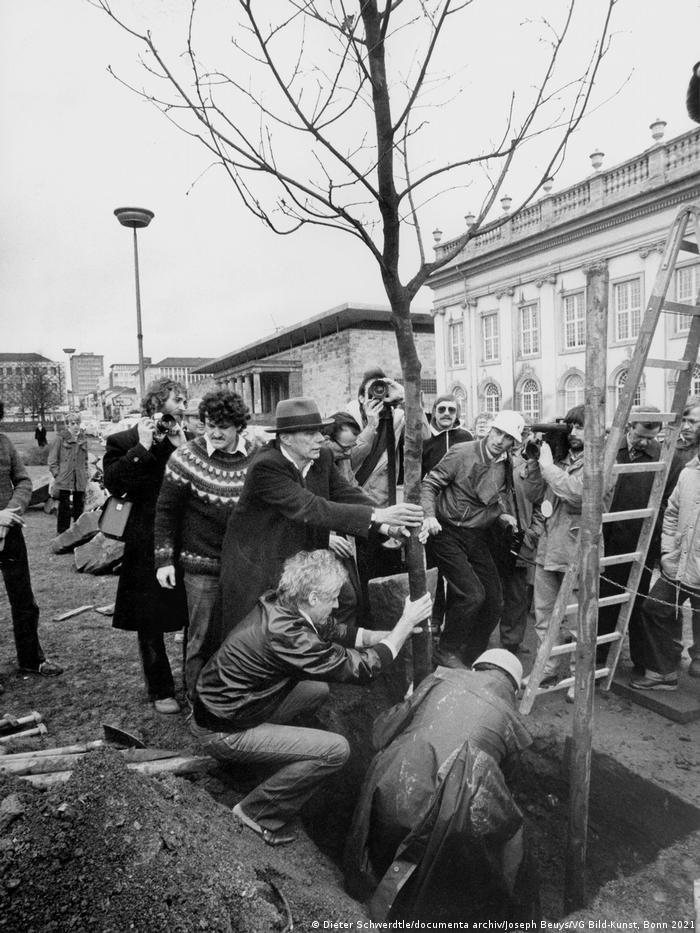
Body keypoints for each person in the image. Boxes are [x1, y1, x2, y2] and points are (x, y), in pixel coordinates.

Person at [192, 549, 432, 847]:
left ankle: (265, 761)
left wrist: (393, 635)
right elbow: (363, 669)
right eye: (332, 598)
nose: (337, 604)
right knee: (336, 750)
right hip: (223, 729)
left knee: (316, 689)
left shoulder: (284, 604)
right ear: (314, 597)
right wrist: (404, 625)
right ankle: (256, 812)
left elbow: (342, 632)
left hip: (230, 705)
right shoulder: (287, 634)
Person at [344, 649, 538, 923]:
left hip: (386, 796)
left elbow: (380, 733)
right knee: (511, 829)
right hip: (441, 829)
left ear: (475, 668)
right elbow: (506, 791)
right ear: (514, 691)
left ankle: (370, 882)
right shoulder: (511, 720)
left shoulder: (439, 679)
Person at [218, 397, 423, 642]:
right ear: (285, 438)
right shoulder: (266, 466)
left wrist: (389, 527)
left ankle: (329, 659)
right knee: (261, 633)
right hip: (259, 564)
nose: (319, 439)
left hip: (300, 559)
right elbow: (310, 507)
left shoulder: (322, 457)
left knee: (344, 599)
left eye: (319, 431)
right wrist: (377, 515)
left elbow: (346, 494)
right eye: (309, 433)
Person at [154, 390, 259, 699]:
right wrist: (163, 560)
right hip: (201, 568)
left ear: (239, 426)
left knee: (241, 635)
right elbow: (165, 512)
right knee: (200, 639)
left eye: (223, 427)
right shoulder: (185, 458)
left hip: (243, 567)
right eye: (209, 425)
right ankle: (197, 703)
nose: (214, 433)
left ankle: (233, 697)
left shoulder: (258, 457)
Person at [103, 378, 189, 715]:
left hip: (184, 537)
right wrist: (142, 447)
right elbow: (114, 483)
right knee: (148, 618)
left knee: (190, 613)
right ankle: (160, 688)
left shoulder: (183, 440)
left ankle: (194, 683)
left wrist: (183, 449)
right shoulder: (122, 441)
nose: (183, 406)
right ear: (156, 402)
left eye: (184, 400)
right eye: (177, 400)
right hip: (144, 540)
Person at [420, 410, 525, 668]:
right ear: (490, 430)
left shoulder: (505, 463)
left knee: (495, 601)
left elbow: (490, 496)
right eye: (498, 432)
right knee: (472, 595)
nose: (499, 440)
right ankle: (445, 651)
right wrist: (429, 515)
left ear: (514, 443)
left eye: (507, 437)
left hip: (476, 535)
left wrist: (502, 516)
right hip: (446, 532)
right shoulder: (462, 452)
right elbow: (429, 484)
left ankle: (471, 654)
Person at [632, 420, 700, 689]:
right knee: (655, 608)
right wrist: (668, 550)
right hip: (679, 562)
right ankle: (664, 671)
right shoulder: (688, 473)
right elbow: (671, 513)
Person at [0, 400, 62, 693]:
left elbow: (23, 481)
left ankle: (30, 659)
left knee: (24, 599)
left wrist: (10, 512)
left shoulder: (4, 442)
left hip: (10, 532)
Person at [523, 406, 584, 690]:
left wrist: (547, 467)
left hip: (577, 552)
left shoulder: (599, 462)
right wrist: (536, 463)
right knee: (544, 617)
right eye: (571, 427)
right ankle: (546, 670)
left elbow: (576, 493)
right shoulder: (558, 459)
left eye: (581, 427)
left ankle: (578, 677)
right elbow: (534, 495)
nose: (574, 433)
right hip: (548, 549)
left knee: (576, 621)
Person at [597, 406, 662, 674]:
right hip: (607, 539)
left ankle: (640, 661)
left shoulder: (660, 456)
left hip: (641, 542)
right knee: (604, 599)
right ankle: (598, 656)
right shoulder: (608, 450)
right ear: (628, 429)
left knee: (637, 601)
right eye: (640, 436)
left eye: (651, 437)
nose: (646, 442)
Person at [346, 368, 413, 600]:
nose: (377, 395)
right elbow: (349, 460)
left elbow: (422, 436)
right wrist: (370, 426)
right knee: (362, 580)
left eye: (381, 389)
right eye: (372, 390)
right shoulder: (346, 421)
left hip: (386, 508)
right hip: (357, 511)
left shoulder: (396, 417)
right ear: (361, 397)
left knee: (388, 580)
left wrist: (405, 397)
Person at [48, 414, 88, 534]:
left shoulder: (83, 439)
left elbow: (85, 460)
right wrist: (57, 475)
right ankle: (62, 536)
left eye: (77, 423)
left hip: (79, 480)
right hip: (64, 479)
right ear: (67, 425)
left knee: (79, 508)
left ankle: (77, 536)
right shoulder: (60, 439)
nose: (76, 426)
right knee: (64, 509)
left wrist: (85, 474)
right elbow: (52, 460)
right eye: (72, 423)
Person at [421, 394, 473, 476]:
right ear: (434, 412)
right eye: (441, 409)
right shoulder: (425, 436)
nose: (446, 413)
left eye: (451, 410)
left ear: (457, 414)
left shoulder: (466, 436)